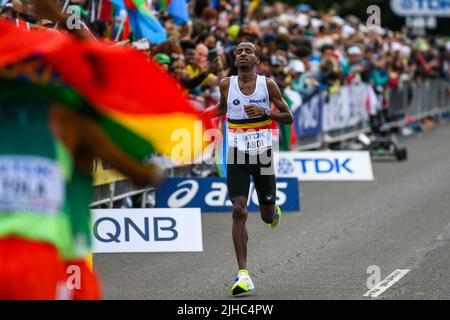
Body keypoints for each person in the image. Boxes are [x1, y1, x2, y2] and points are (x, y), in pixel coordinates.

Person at [217, 42, 293, 296]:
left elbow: (289, 116)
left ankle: (273, 212)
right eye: (238, 51)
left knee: (266, 216)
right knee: (239, 210)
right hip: (236, 155)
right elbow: (221, 110)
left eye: (248, 51)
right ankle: (243, 274)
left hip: (262, 156)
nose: (242, 54)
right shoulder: (225, 85)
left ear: (256, 59)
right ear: (234, 59)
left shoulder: (267, 85)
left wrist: (265, 112)